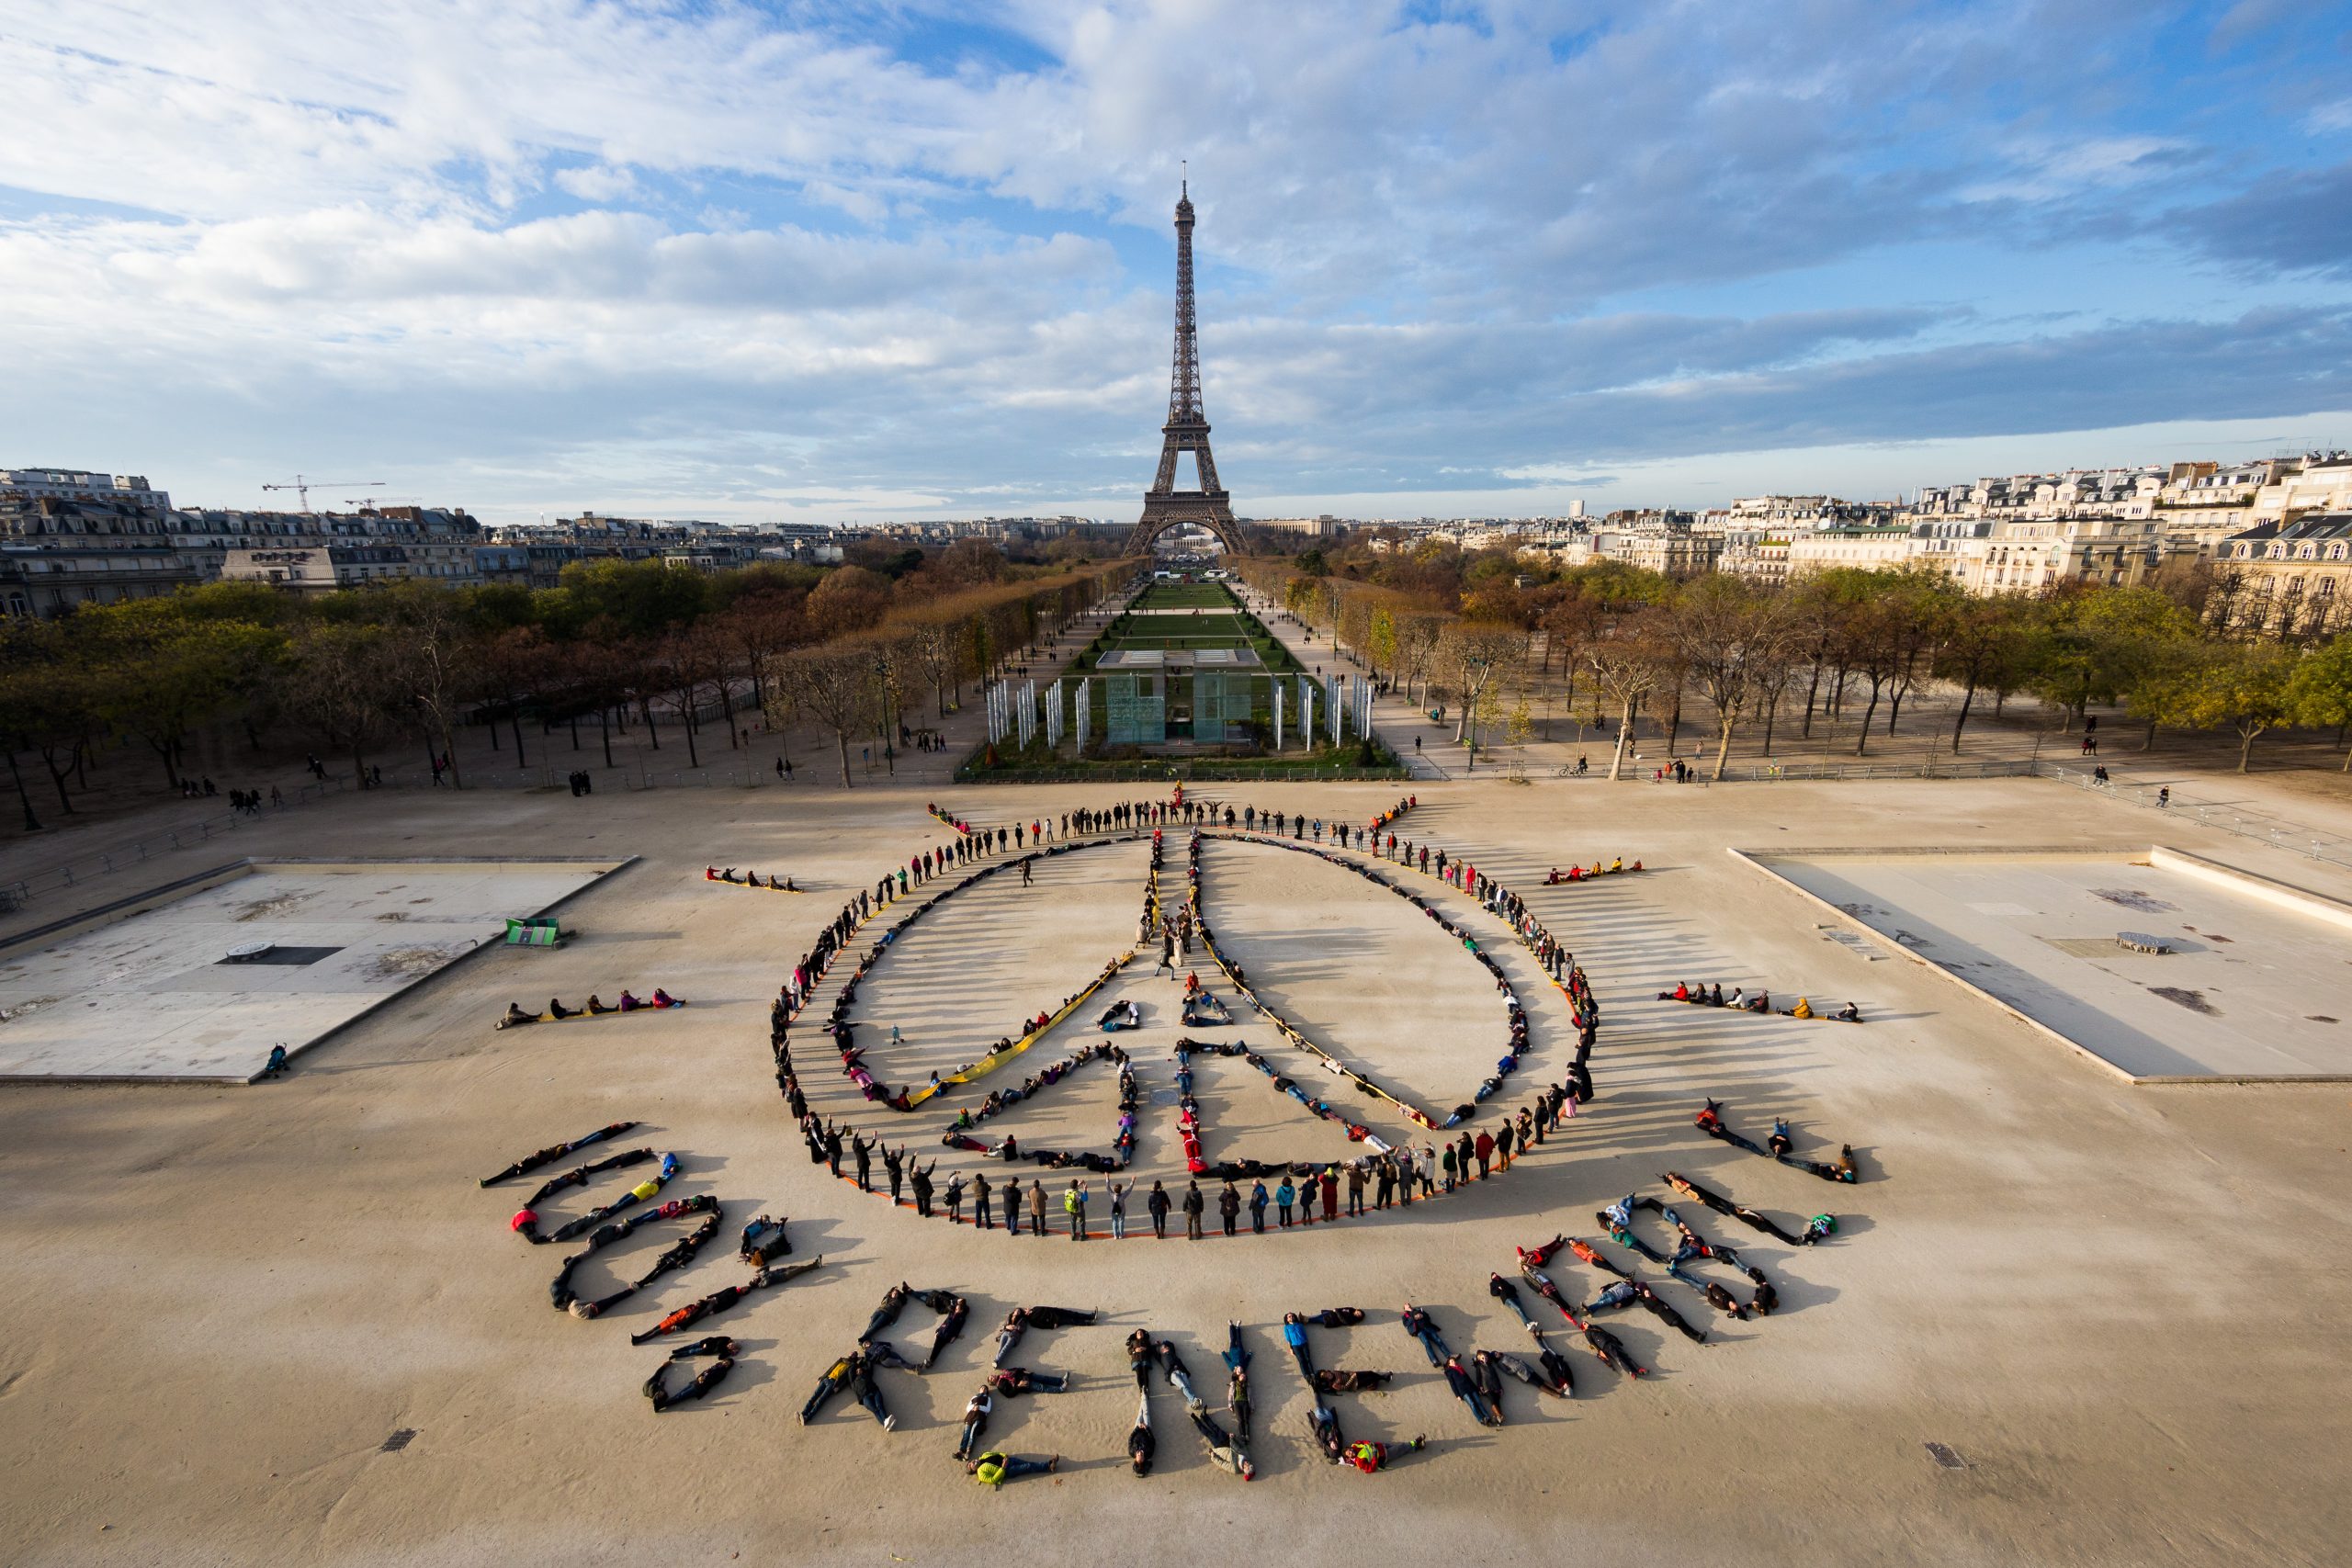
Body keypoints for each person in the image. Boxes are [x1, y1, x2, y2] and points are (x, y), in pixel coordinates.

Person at [970, 1450, 1061, 1487]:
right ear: (973, 1470)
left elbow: (997, 1453)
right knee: (1028, 1466)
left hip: (1010, 1460)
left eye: (972, 1461)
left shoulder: (984, 1455)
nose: (973, 1461)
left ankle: (1050, 1467)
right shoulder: (980, 1473)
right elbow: (993, 1480)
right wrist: (1003, 1467)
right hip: (1008, 1471)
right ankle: (1049, 1465)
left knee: (1028, 1464)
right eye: (971, 1464)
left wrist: (1004, 1455)